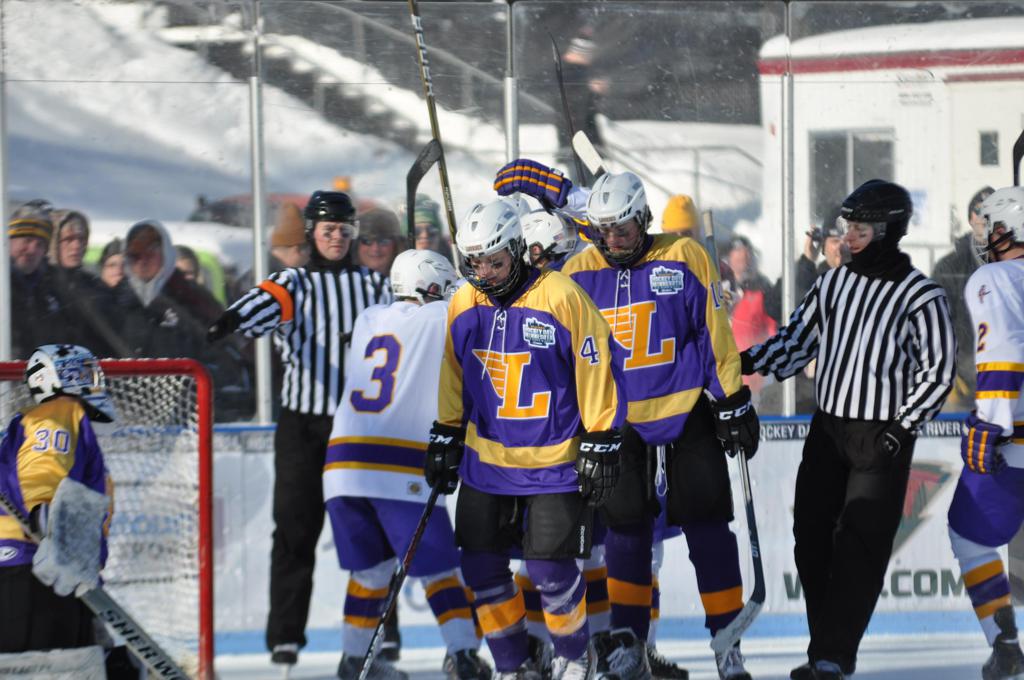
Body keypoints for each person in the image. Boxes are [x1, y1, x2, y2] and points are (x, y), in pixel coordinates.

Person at [498, 160, 760, 680]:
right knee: (625, 532)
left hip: (686, 411)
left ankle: (727, 643)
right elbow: (559, 347)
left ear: (643, 218)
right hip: (616, 424)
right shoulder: (578, 271)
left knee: (708, 525)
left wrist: (731, 397)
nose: (613, 239)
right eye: (603, 230)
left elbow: (712, 330)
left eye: (622, 228)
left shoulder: (683, 254)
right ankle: (629, 643)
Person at [742, 179, 956, 680]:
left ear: (886, 230)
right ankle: (827, 649)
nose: (848, 237)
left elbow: (938, 372)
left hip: (881, 438)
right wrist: (743, 363)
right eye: (847, 228)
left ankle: (833, 657)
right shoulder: (834, 284)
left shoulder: (921, 295)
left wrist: (901, 429)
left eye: (860, 229)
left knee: (861, 545)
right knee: (810, 536)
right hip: (828, 430)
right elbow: (796, 342)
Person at [429, 197, 624, 680]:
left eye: (495, 262)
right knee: (480, 567)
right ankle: (514, 664)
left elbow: (596, 363)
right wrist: (447, 430)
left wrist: (602, 436)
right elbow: (453, 371)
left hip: (554, 461)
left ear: (518, 249)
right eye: (475, 263)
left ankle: (574, 655)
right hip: (486, 460)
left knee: (550, 571)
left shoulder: (560, 295)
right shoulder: (464, 301)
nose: (485, 274)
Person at [207, 190, 392, 671]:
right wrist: (233, 318)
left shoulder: (375, 285)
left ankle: (382, 631)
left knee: (373, 530)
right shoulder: (295, 281)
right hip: (303, 427)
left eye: (345, 230)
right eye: (329, 230)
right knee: (294, 529)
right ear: (311, 233)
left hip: (359, 426)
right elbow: (264, 303)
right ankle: (285, 635)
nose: (337, 238)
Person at [325, 249, 490, 680]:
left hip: (341, 465)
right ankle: (464, 655)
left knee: (371, 570)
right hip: (397, 464)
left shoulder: (368, 318)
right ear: (431, 287)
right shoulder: (440, 316)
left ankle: (354, 659)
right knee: (439, 570)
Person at [945, 186, 1024, 680]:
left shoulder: (994, 277)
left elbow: (1004, 351)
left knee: (969, 534)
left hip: (1016, 443)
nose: (987, 237)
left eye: (994, 227)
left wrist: (991, 422)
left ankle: (1004, 641)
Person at [0, 344, 115, 676]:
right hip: (35, 570)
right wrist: (47, 517)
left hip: (40, 573)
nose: (93, 381)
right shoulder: (58, 412)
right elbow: (42, 467)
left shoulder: (48, 423)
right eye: (84, 373)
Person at [933, 186, 996, 410]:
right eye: (979, 211)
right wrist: (949, 373)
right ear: (970, 218)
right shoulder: (949, 267)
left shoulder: (1014, 265)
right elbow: (936, 325)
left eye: (992, 213)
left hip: (1007, 379)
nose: (984, 219)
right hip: (962, 381)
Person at [355, 207, 406, 276]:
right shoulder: (344, 279)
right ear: (356, 244)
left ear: (396, 244)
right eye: (367, 240)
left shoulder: (409, 278)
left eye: (383, 241)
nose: (375, 248)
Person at [270, 203, 311, 269]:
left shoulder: (260, 268)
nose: (309, 258)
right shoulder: (278, 274)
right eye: (308, 250)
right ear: (296, 250)